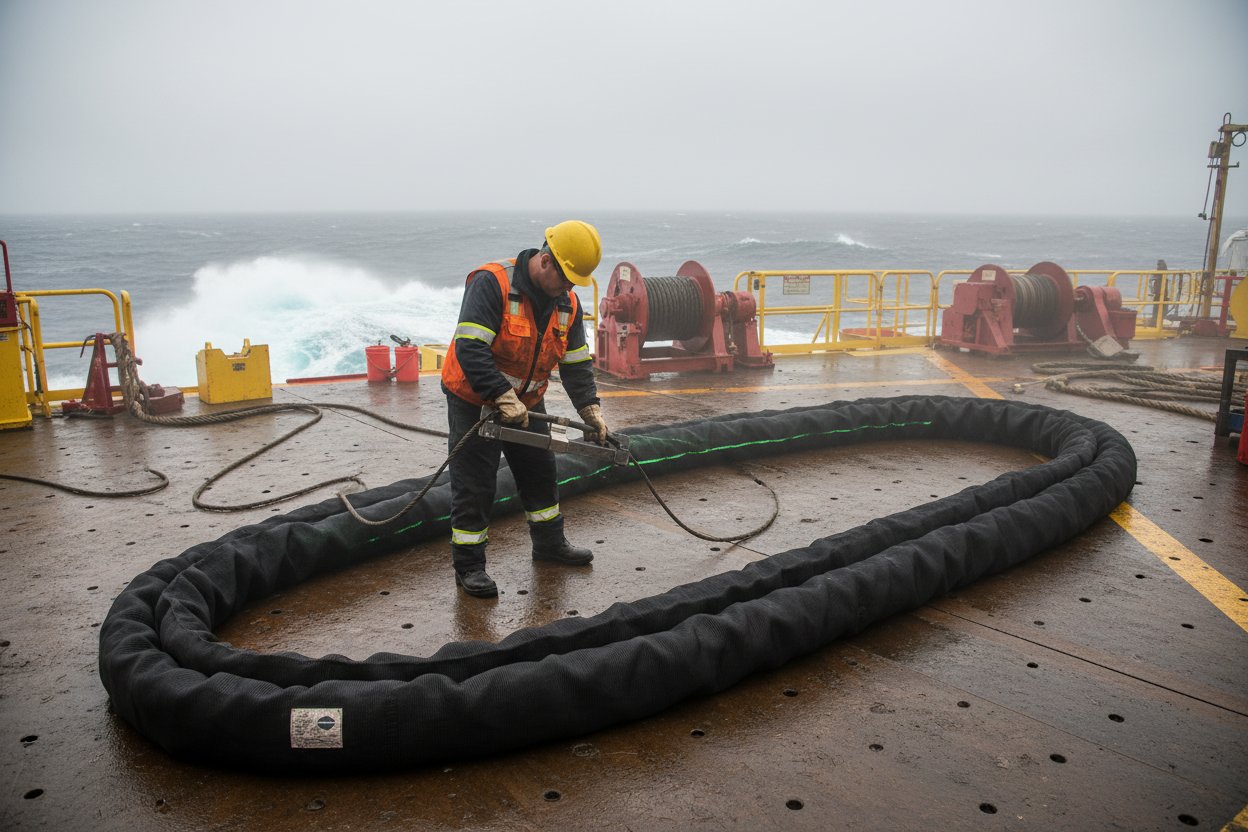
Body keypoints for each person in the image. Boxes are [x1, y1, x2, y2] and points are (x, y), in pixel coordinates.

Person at [440, 220, 610, 597]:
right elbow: (470, 348)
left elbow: (576, 362)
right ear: (546, 261)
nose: (569, 288)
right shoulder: (492, 284)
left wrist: (590, 409)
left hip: (527, 403)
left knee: (539, 471)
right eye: (566, 277)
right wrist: (501, 396)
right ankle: (469, 567)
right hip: (474, 400)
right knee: (475, 484)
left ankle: (549, 544)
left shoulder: (568, 302)